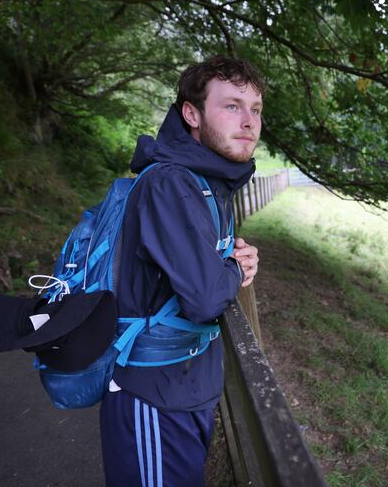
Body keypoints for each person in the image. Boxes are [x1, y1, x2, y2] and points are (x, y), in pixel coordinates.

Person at [99, 55, 262, 486]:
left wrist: (231, 263)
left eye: (256, 109)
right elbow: (207, 297)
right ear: (191, 113)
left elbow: (206, 269)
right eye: (231, 106)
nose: (248, 121)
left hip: (185, 388)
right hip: (152, 396)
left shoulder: (209, 182)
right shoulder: (171, 182)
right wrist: (232, 267)